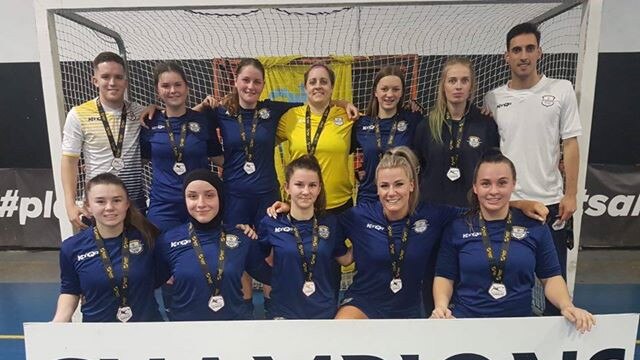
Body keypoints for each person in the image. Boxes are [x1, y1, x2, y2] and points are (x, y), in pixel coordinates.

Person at [432, 150, 595, 333]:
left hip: (520, 328)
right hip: (467, 326)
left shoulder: (535, 227)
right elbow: (445, 276)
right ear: (475, 187)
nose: (494, 191)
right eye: (486, 184)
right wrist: (441, 307)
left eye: (502, 183)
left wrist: (566, 305)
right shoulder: (458, 227)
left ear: (513, 185)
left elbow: (550, 277)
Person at [484, 22, 582, 315]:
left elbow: (571, 144)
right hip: (508, 205)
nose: (523, 55)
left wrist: (571, 194)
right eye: (517, 50)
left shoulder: (562, 90)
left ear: (540, 52)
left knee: (553, 281)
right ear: (507, 56)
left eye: (529, 48)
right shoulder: (494, 98)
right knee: (508, 284)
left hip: (550, 204)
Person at [334, 146, 460, 319]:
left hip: (410, 307)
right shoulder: (360, 216)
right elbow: (323, 226)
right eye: (384, 186)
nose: (391, 193)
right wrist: (345, 255)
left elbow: (474, 213)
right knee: (341, 335)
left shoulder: (432, 215)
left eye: (399, 184)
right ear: (377, 189)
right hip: (364, 302)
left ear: (411, 185)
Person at [155, 169, 268, 321]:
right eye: (192, 196)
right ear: (185, 200)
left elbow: (271, 275)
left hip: (233, 328)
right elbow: (147, 282)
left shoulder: (242, 238)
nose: (201, 203)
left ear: (220, 198)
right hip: (186, 331)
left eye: (209, 195)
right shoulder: (168, 240)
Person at [53, 173, 162, 322]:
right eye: (100, 201)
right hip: (97, 335)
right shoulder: (72, 247)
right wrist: (58, 323)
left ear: (127, 204)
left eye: (117, 200)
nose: (109, 207)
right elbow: (70, 291)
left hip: (147, 332)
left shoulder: (149, 239)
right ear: (88, 207)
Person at [257, 155, 352, 319]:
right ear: (287, 187)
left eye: (312, 185)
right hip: (284, 312)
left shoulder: (330, 223)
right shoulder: (271, 223)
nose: (306, 191)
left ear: (319, 188)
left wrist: (367, 237)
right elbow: (262, 260)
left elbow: (345, 259)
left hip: (323, 312)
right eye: (299, 185)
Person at [62, 51, 146, 230]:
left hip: (135, 202)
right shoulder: (78, 114)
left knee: (139, 254)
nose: (112, 82)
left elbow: (173, 119)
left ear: (125, 81)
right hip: (99, 204)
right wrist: (70, 204)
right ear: (95, 81)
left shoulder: (140, 113)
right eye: (106, 77)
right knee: (103, 256)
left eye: (118, 77)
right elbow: (69, 161)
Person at [140, 61, 223, 232]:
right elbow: (142, 160)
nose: (172, 90)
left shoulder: (203, 120)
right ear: (158, 91)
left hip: (199, 205)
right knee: (161, 254)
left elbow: (218, 157)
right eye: (165, 86)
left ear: (187, 87)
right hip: (163, 207)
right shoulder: (149, 120)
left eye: (178, 84)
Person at [414, 57, 499, 207]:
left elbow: (493, 169)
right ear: (443, 86)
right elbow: (416, 168)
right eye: (452, 81)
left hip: (471, 209)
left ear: (471, 86)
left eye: (464, 81)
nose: (458, 86)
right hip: (432, 208)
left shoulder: (485, 123)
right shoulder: (426, 125)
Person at [277, 62, 358, 215]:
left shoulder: (347, 116)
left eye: (324, 81)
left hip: (339, 204)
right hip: (301, 203)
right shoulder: (291, 116)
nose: (318, 86)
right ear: (305, 87)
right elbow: (263, 140)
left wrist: (344, 103)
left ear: (332, 87)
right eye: (312, 82)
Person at [354, 65, 422, 205]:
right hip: (369, 198)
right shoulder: (361, 124)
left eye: (395, 89)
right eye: (384, 89)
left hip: (400, 198)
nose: (389, 95)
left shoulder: (414, 120)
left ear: (402, 92)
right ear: (375, 92)